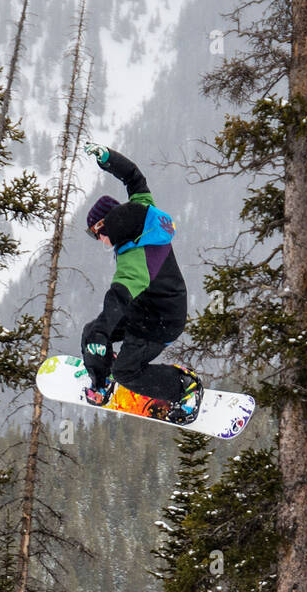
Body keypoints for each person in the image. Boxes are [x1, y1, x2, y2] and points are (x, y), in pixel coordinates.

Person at [79, 142, 203, 423]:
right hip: (143, 310)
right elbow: (134, 176)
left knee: (126, 369)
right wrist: (108, 158)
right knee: (91, 335)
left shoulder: (137, 257)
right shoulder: (142, 211)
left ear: (104, 226)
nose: (98, 241)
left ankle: (184, 387)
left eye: (94, 234)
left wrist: (103, 330)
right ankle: (101, 382)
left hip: (161, 321)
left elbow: (119, 296)